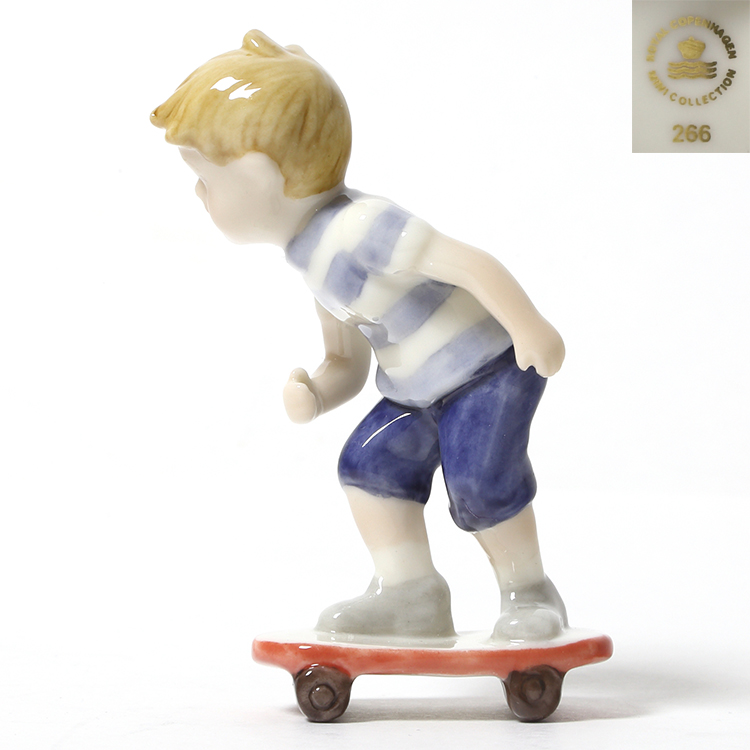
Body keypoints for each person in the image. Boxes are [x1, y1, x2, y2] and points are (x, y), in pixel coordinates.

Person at [152, 30, 568, 642]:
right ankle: (410, 593)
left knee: (479, 480)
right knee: (369, 463)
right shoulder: (310, 261)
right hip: (415, 392)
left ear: (261, 175)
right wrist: (319, 392)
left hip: (485, 370)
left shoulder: (362, 226)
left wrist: (530, 327)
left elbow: (468, 263)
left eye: (205, 178)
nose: (198, 194)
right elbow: (346, 360)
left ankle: (529, 592)